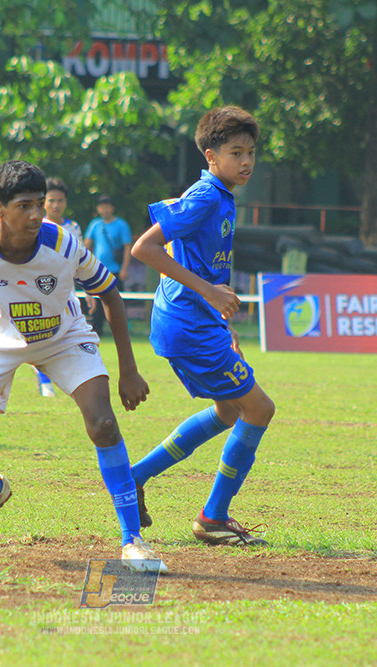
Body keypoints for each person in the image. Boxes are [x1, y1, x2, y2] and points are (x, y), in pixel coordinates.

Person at [0, 160, 166, 573]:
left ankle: (133, 541)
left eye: (41, 204)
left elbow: (111, 295)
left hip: (61, 336)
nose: (37, 214)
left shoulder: (62, 245)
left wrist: (128, 370)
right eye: (24, 205)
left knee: (104, 425)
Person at [130, 106, 275, 546]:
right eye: (236, 152)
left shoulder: (220, 195)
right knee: (259, 409)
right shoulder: (206, 196)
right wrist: (210, 293)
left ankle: (135, 476)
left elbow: (199, 259)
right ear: (211, 156)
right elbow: (145, 249)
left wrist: (217, 315)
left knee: (230, 410)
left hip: (195, 322)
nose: (246, 161)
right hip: (187, 323)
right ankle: (213, 517)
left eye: (251, 152)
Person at [30, 177, 86, 398]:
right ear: (43, 202)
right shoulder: (36, 225)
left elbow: (80, 260)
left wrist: (88, 289)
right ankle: (45, 381)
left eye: (59, 200)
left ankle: (67, 378)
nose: (55, 205)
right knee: (40, 335)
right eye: (51, 200)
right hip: (37, 288)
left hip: (65, 291)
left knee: (66, 334)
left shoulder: (73, 228)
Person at [84, 194, 132, 336]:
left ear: (112, 208)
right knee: (98, 304)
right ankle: (97, 333)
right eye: (101, 206)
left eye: (107, 206)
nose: (104, 209)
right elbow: (87, 244)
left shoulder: (121, 225)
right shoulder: (95, 224)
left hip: (115, 270)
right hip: (99, 270)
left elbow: (128, 247)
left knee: (117, 303)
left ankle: (120, 332)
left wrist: (124, 268)